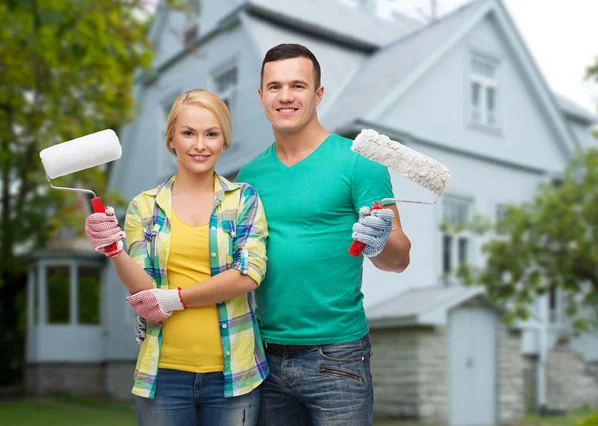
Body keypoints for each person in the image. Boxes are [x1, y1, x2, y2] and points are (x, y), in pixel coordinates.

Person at [235, 43, 412, 426]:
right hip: (264, 356)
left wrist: (379, 241)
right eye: (275, 86)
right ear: (261, 96)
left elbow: (399, 259)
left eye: (298, 86)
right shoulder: (249, 177)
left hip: (337, 357)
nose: (285, 96)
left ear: (318, 94)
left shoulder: (359, 162)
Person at [84, 88, 269, 426]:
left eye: (211, 134)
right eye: (188, 133)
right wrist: (113, 249)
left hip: (234, 376)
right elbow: (144, 292)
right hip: (163, 375)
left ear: (224, 140)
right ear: (171, 139)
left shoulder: (244, 199)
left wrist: (174, 299)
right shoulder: (145, 205)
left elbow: (248, 275)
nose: (200, 144)